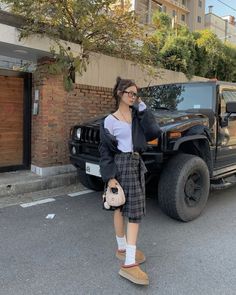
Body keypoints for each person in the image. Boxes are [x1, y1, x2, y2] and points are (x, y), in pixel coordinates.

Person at [99, 77, 161, 285]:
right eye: (130, 93)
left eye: (136, 94)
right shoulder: (109, 121)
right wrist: (110, 178)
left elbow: (154, 132)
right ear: (119, 93)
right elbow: (105, 151)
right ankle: (128, 263)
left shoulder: (137, 116)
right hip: (120, 165)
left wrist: (142, 107)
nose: (133, 97)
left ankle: (125, 250)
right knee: (124, 209)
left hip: (135, 163)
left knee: (131, 211)